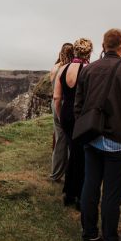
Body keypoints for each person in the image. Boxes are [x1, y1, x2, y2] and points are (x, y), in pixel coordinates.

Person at [75, 28, 121, 241]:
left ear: (103, 46)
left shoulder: (89, 69)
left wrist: (83, 130)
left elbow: (79, 104)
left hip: (92, 139)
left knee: (90, 188)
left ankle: (91, 237)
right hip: (120, 143)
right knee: (112, 197)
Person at [53, 38, 93, 209]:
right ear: (89, 52)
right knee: (81, 156)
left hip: (67, 114)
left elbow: (57, 98)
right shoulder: (89, 69)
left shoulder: (63, 68)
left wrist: (61, 116)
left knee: (73, 152)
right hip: (82, 116)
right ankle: (78, 196)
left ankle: (68, 193)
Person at [49, 43, 74, 181]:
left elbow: (53, 91)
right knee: (71, 139)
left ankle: (55, 173)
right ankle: (70, 174)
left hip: (55, 103)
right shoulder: (71, 69)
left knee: (59, 140)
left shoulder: (55, 68)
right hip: (66, 104)